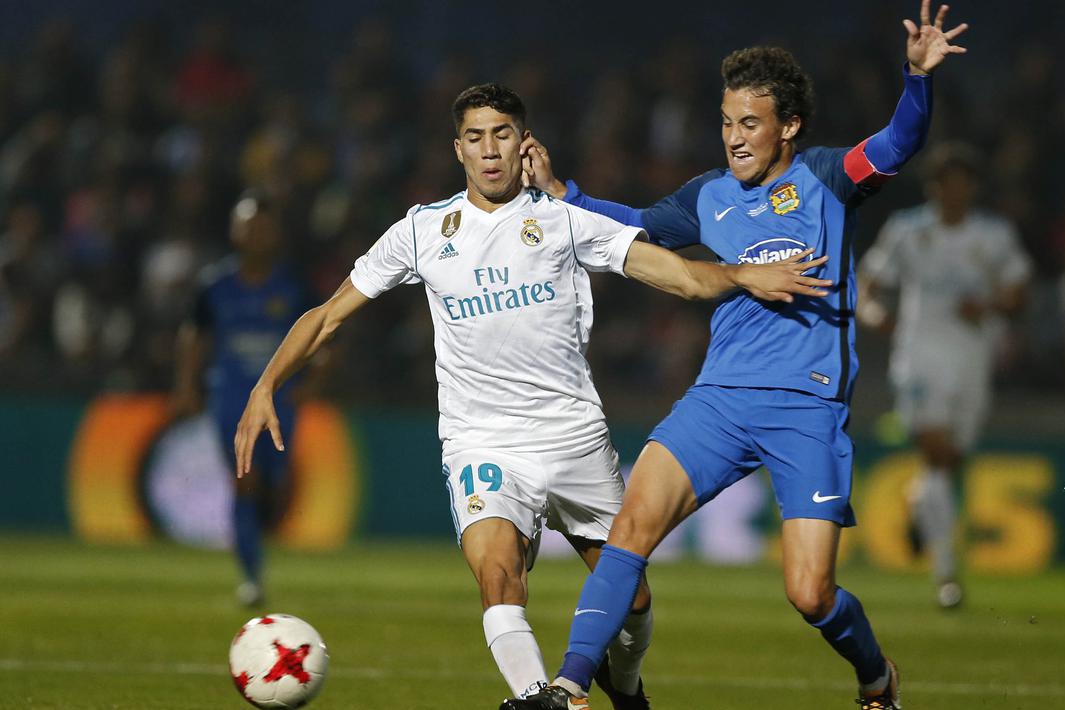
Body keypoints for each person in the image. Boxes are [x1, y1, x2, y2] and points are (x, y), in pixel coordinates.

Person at [232, 83, 832, 706]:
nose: (489, 150)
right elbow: (327, 315)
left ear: (524, 143)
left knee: (634, 598)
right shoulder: (422, 230)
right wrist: (266, 383)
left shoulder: (565, 222)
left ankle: (625, 688)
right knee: (499, 576)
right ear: (457, 149)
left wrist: (741, 274)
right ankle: (540, 698)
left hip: (572, 435)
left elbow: (678, 275)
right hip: (482, 440)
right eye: (475, 137)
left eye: (501, 134)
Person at [504, 3, 966, 708]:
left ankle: (877, 680)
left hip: (806, 407)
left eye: (749, 123)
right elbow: (636, 226)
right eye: (725, 123)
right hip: (718, 398)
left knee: (809, 593)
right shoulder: (709, 197)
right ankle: (568, 687)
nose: (733, 138)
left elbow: (897, 144)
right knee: (631, 528)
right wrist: (567, 195)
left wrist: (915, 79)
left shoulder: (828, 178)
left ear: (788, 126)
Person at [857, 142, 1031, 609]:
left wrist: (990, 305)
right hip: (919, 357)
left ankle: (919, 503)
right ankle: (946, 573)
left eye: (961, 183)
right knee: (936, 455)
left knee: (949, 460)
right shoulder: (908, 230)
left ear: (971, 188)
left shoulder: (993, 236)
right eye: (944, 183)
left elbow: (1018, 293)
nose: (952, 192)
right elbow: (868, 284)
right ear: (933, 188)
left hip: (974, 359)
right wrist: (872, 314)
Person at [171, 189, 315, 607]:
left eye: (263, 227)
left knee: (272, 488)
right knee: (244, 482)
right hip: (232, 399)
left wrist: (315, 381)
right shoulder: (214, 286)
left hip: (281, 400)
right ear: (235, 231)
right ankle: (251, 577)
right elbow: (195, 336)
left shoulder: (292, 286)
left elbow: (321, 335)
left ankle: (256, 544)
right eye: (248, 225)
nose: (255, 234)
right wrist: (186, 385)